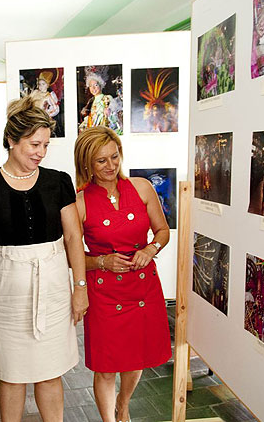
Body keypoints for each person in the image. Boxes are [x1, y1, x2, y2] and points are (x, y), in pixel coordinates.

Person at [0, 96, 87, 422]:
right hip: (5, 294)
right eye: (34, 144)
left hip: (54, 288)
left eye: (45, 145)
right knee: (12, 372)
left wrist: (80, 287)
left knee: (50, 370)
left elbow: (73, 238)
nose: (40, 152)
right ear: (11, 140)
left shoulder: (58, 182)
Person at [73, 126, 172, 422]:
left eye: (114, 157)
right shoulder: (79, 202)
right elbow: (72, 256)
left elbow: (163, 231)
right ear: (87, 164)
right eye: (101, 160)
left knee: (135, 358)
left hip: (143, 287)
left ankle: (124, 403)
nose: (110, 166)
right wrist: (102, 262)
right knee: (106, 367)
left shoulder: (141, 187)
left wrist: (151, 249)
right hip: (104, 293)